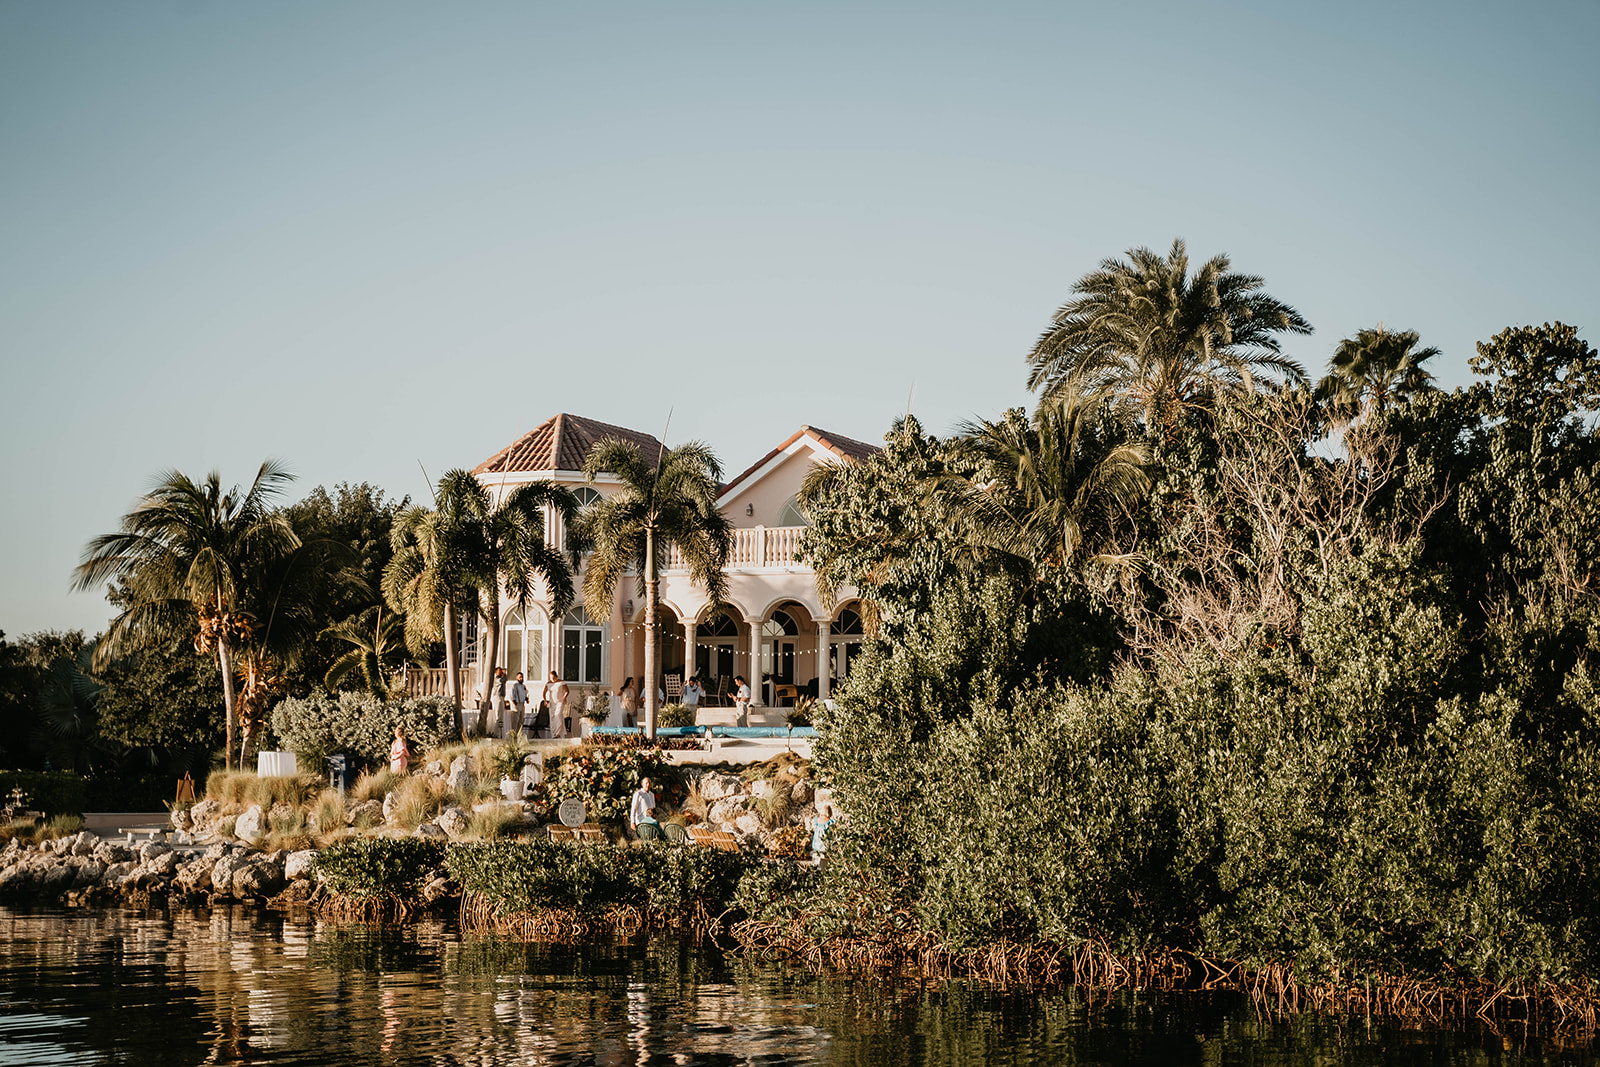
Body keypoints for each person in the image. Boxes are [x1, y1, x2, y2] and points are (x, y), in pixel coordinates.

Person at [544, 671, 571, 738]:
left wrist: (564, 698)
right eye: (551, 678)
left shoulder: (561, 683)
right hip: (552, 703)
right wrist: (545, 701)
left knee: (558, 715)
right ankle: (555, 734)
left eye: (554, 678)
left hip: (560, 702)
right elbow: (544, 692)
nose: (552, 680)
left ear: (556, 677)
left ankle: (557, 733)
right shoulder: (548, 683)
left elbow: (567, 691)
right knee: (552, 717)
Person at [509, 671, 529, 738]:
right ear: (517, 678)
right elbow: (512, 695)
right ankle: (513, 736)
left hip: (522, 704)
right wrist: (515, 703)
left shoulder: (523, 686)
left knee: (521, 720)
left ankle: (519, 735)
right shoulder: (515, 686)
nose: (521, 678)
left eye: (522, 677)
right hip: (517, 704)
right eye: (520, 677)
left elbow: (525, 694)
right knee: (515, 721)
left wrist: (526, 699)